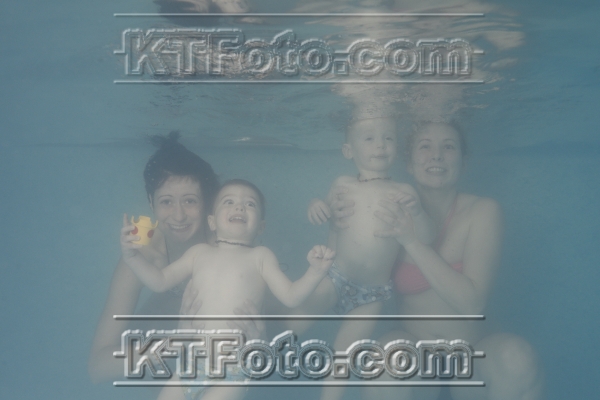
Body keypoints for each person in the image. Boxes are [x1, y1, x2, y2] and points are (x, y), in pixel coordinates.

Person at [330, 122, 542, 399]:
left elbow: (471, 304)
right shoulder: (385, 209)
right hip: (415, 358)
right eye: (425, 146)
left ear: (464, 162)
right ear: (409, 163)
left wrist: (412, 242)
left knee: (517, 358)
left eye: (449, 147)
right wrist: (335, 223)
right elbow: (348, 274)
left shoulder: (482, 211)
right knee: (387, 359)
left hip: (474, 357)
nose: (437, 155)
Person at [122, 179, 336, 400]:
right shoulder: (198, 253)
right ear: (212, 221)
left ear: (261, 226)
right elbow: (159, 281)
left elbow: (291, 297)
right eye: (229, 202)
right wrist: (132, 257)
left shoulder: (260, 257)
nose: (239, 207)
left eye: (250, 204)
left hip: (235, 366)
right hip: (192, 361)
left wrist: (315, 272)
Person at [304, 116, 435, 400]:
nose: (380, 145)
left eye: (388, 138)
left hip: (372, 292)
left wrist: (417, 212)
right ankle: (253, 346)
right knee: (295, 319)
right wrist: (316, 205)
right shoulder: (342, 183)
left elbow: (426, 239)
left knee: (345, 351)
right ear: (348, 150)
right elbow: (326, 211)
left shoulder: (404, 192)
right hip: (335, 276)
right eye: (369, 138)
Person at [88, 132, 220, 383]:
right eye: (166, 202)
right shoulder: (142, 257)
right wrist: (174, 344)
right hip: (166, 347)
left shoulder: (225, 245)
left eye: (190, 201)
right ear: (151, 203)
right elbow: (98, 366)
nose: (178, 216)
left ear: (207, 202)